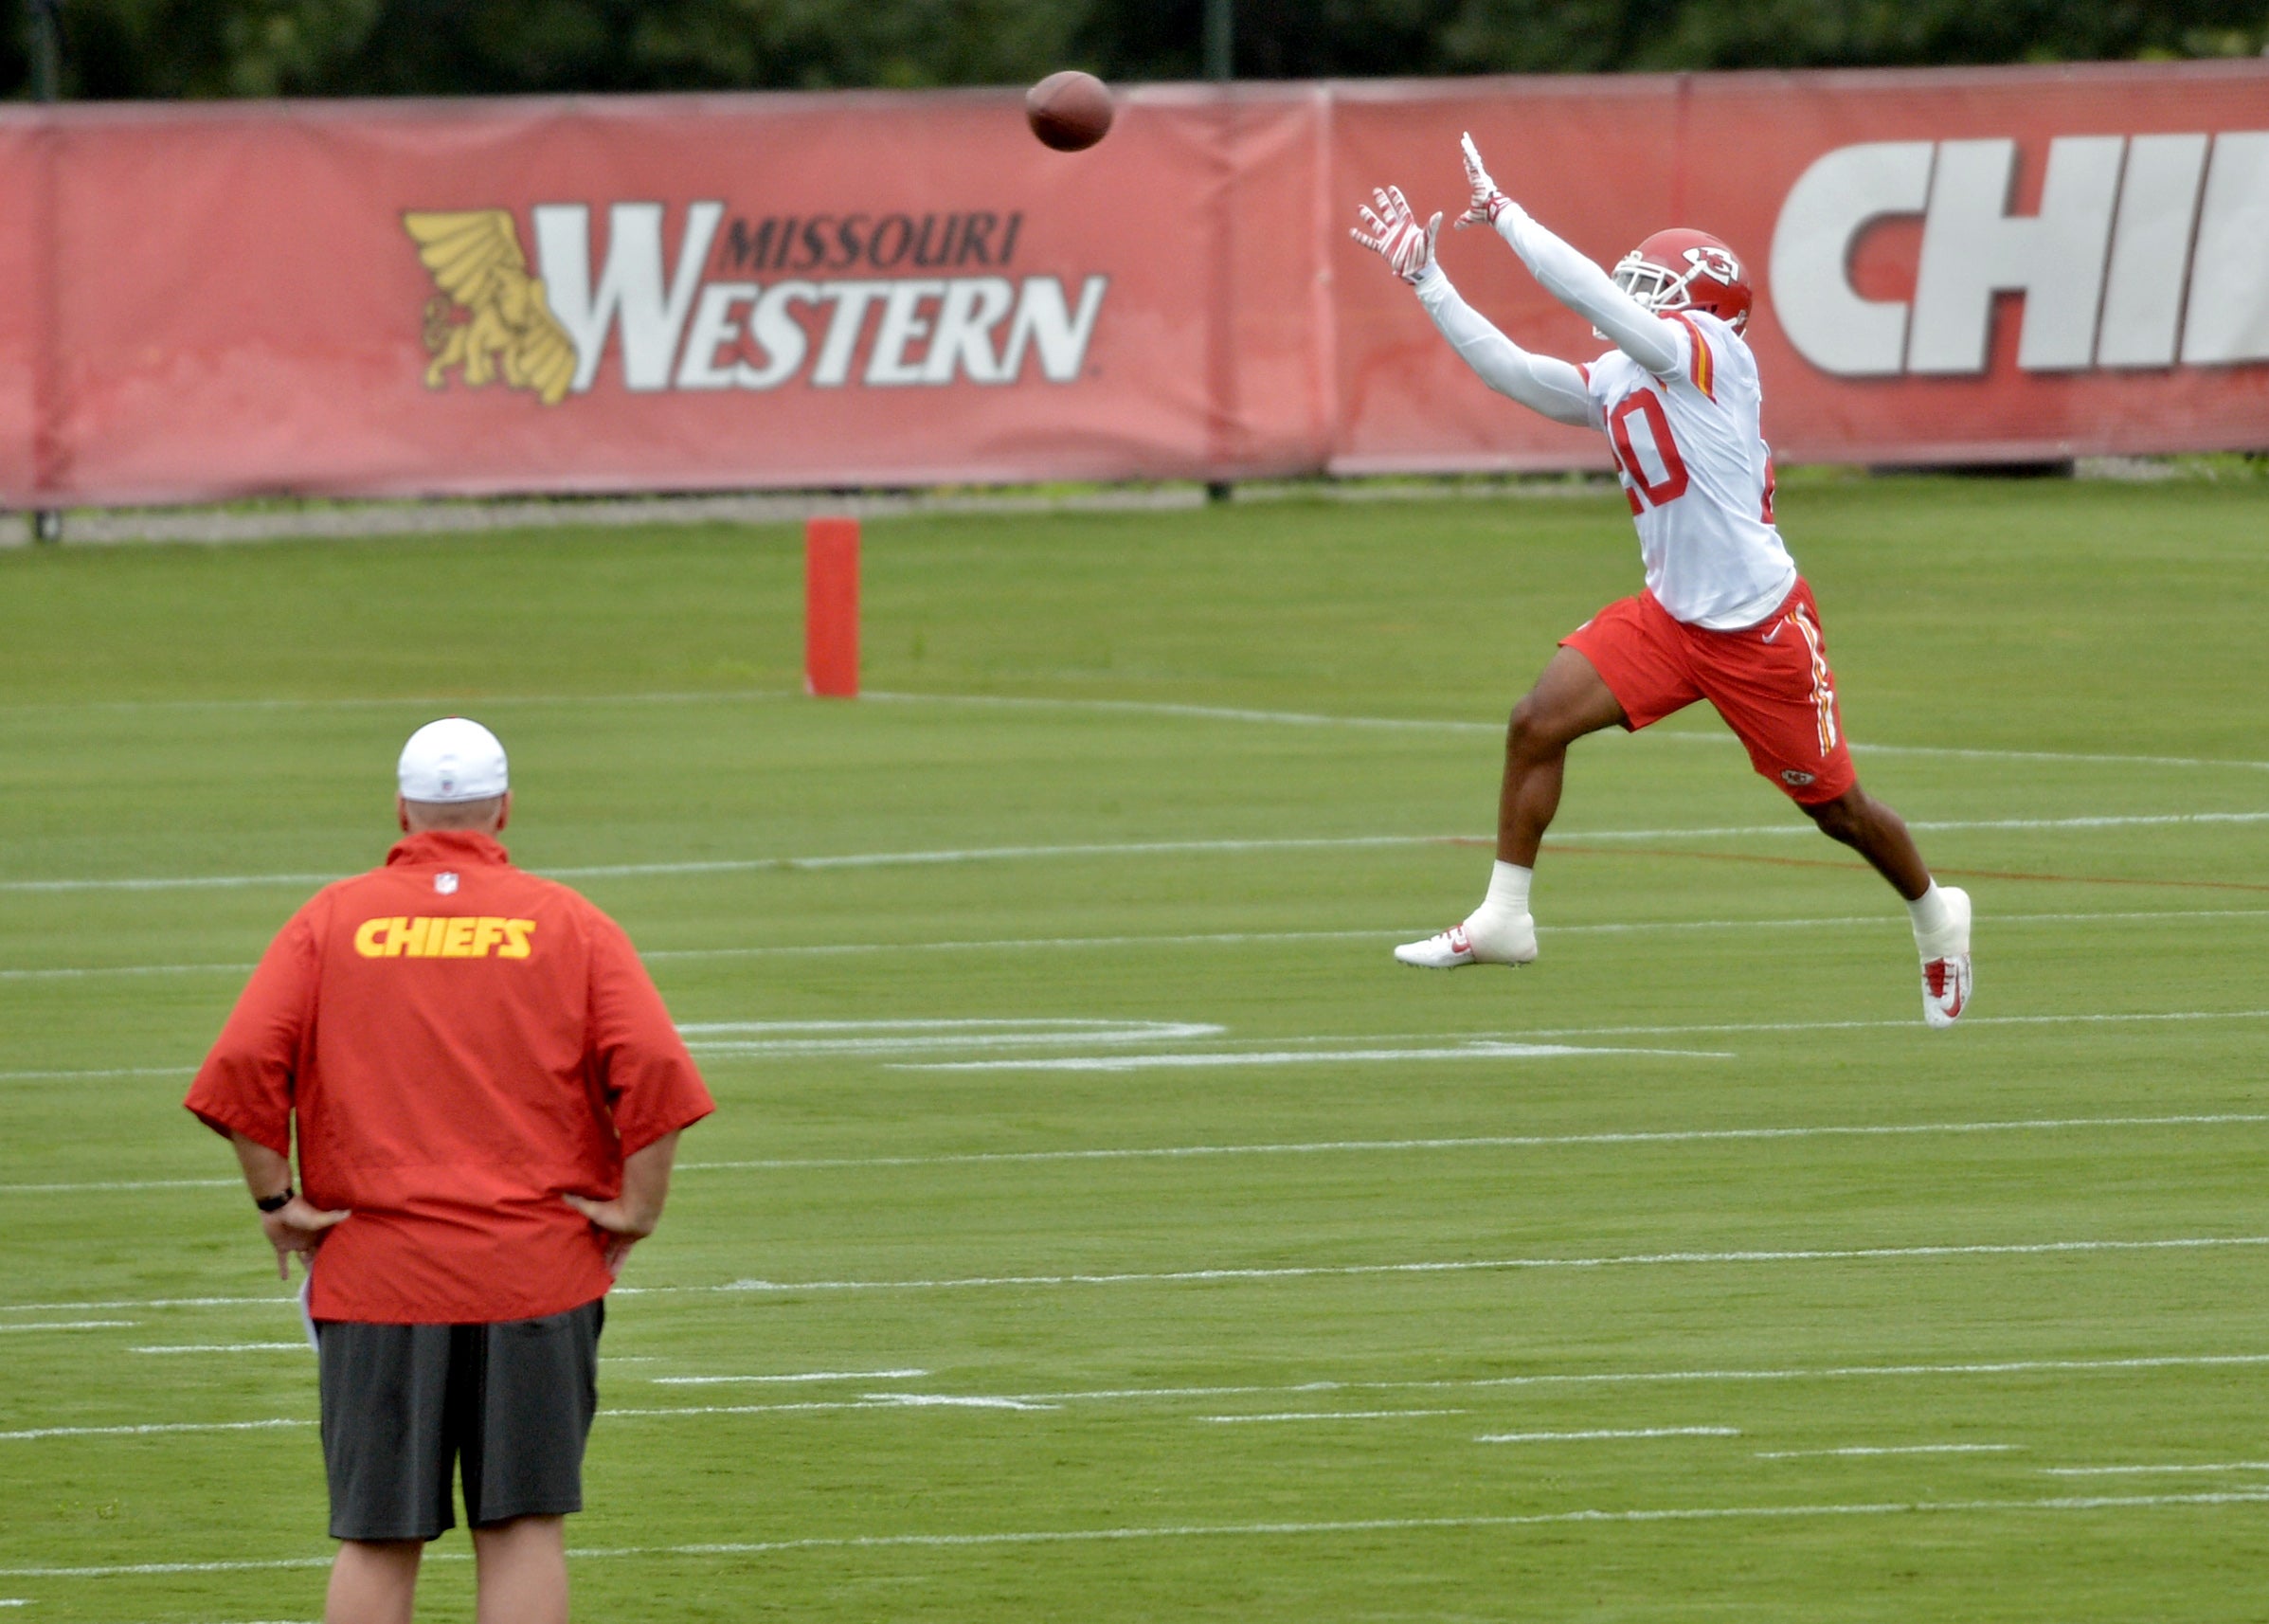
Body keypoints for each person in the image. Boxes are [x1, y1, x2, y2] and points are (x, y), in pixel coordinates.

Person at [1351, 135, 1972, 1027]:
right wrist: (1430, 282)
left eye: (1656, 286)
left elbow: (1590, 294)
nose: (1635, 295)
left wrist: (1509, 215)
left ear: (1703, 309)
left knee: (1839, 811)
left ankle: (1932, 912)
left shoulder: (1711, 354)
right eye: (1638, 282)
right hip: (1669, 621)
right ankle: (1504, 917)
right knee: (1535, 723)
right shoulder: (1625, 370)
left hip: (1757, 631)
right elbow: (1518, 378)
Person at [185, 717, 715, 1624]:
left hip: (378, 1271)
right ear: (505, 809)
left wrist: (279, 1200)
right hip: (535, 1270)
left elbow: (240, 1070)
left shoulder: (332, 919)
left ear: (400, 808)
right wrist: (636, 1209)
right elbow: (659, 1074)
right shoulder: (567, 923)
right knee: (521, 1529)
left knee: (378, 1535)